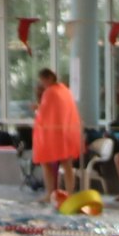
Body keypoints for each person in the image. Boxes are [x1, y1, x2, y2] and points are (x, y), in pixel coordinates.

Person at [32, 67, 80, 202]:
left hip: (52, 136)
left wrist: (37, 109)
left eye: (42, 80)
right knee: (67, 165)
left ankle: (50, 193)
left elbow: (44, 113)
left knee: (46, 164)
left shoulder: (50, 92)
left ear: (48, 78)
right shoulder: (65, 90)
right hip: (66, 134)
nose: (42, 84)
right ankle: (70, 193)